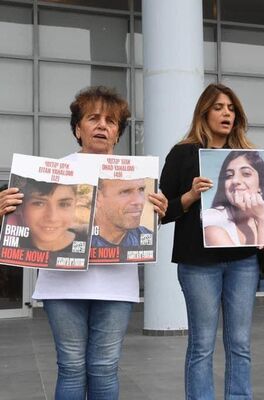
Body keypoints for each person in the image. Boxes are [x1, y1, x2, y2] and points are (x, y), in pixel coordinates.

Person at [0, 86, 168, 399]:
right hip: (62, 287)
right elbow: (27, 222)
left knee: (105, 368)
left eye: (111, 121)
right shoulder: (50, 173)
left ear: (117, 133)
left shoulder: (137, 177)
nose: (102, 125)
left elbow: (142, 231)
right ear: (78, 129)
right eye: (93, 118)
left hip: (116, 288)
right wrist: (6, 208)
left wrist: (156, 212)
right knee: (71, 367)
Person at [160, 83, 263, 400]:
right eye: (218, 107)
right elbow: (162, 212)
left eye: (231, 109)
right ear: (204, 113)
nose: (226, 113)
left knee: (240, 343)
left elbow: (260, 206)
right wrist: (190, 196)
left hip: (243, 261)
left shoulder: (247, 156)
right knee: (202, 343)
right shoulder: (182, 154)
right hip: (198, 264)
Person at [203, 150, 264, 246]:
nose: (235, 180)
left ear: (260, 184)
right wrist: (263, 219)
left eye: (246, 174)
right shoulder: (211, 220)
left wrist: (263, 220)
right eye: (229, 176)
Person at [17, 179, 86, 252]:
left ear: (75, 205)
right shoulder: (14, 241)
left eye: (64, 204)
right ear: (21, 206)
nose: (52, 218)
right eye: (39, 203)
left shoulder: (87, 244)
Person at [92, 178, 152, 247]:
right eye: (125, 192)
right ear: (97, 197)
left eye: (141, 190)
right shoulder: (83, 238)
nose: (139, 201)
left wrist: (159, 218)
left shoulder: (146, 236)